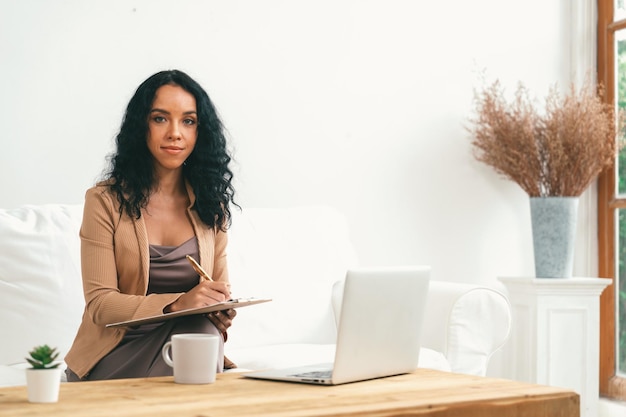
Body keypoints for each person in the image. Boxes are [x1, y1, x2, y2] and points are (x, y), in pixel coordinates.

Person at [64, 69, 238, 381]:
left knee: (201, 330)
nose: (175, 133)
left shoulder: (213, 205)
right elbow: (101, 305)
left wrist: (219, 312)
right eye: (160, 118)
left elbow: (217, 289)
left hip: (188, 343)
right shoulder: (104, 201)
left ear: (201, 132)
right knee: (198, 337)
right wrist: (177, 304)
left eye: (188, 121)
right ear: (141, 126)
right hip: (115, 349)